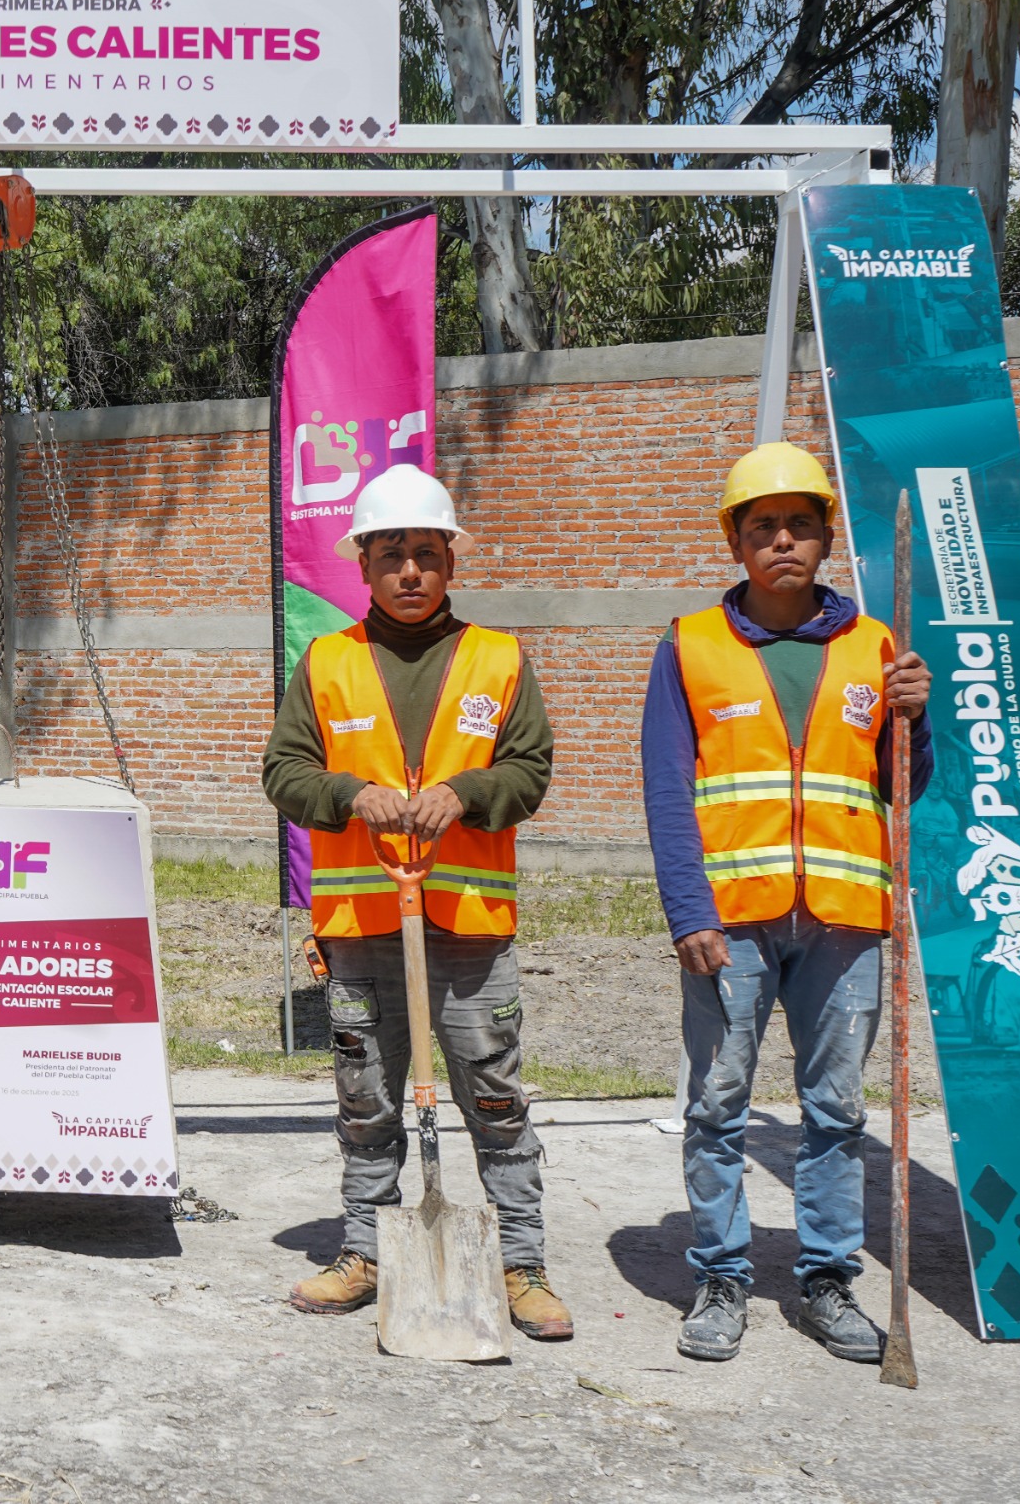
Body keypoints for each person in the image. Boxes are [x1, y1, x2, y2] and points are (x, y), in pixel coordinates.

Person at [261, 464, 571, 1341]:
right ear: (361, 562)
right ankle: (365, 1247)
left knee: (495, 1095)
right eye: (390, 552)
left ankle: (520, 1262)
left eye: (425, 553)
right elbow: (284, 770)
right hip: (360, 927)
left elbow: (530, 768)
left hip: (469, 925)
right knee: (365, 1092)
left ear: (450, 563)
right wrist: (348, 794)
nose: (408, 570)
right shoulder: (325, 662)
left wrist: (468, 791)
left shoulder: (498, 658)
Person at [640, 442, 933, 1365]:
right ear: (734, 540)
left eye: (799, 524)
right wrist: (689, 912)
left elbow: (905, 786)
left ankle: (824, 1280)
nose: (781, 541)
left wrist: (916, 720)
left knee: (836, 1109)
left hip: (846, 921)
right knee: (720, 1101)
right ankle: (722, 1273)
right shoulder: (689, 646)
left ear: (824, 537)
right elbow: (664, 791)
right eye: (761, 525)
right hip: (730, 922)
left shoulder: (876, 647)